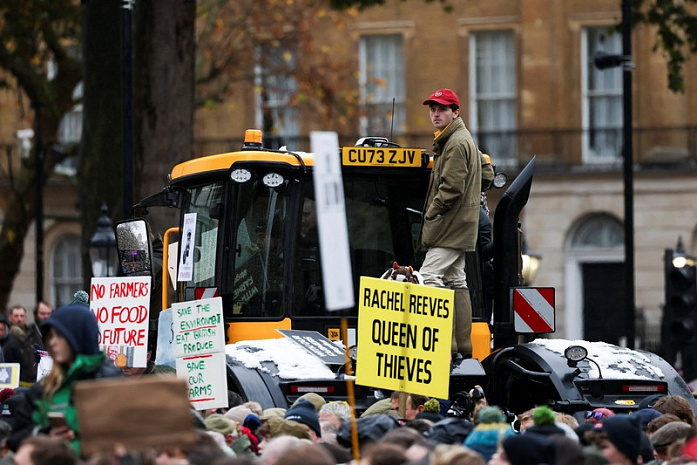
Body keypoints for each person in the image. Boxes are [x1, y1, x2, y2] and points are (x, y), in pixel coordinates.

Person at [418, 88, 482, 359]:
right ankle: (462, 347)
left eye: (442, 109)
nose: (435, 113)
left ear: (455, 112)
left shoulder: (455, 142)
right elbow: (487, 172)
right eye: (433, 109)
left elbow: (452, 187)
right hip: (461, 225)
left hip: (450, 226)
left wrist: (431, 212)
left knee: (429, 276)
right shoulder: (461, 139)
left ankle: (445, 345)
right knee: (456, 279)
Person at [10, 304, 122, 456]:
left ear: (80, 336)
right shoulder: (44, 387)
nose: (52, 342)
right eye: (51, 336)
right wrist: (45, 435)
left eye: (60, 335)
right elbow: (16, 437)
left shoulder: (112, 382)